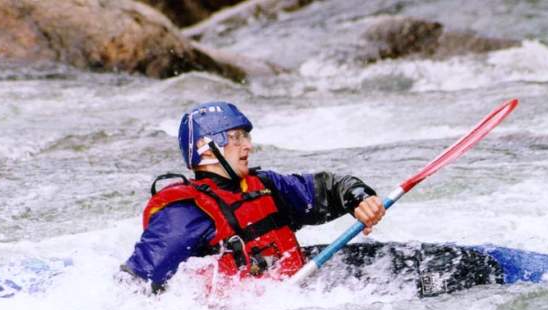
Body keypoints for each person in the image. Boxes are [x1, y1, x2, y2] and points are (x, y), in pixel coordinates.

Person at [121, 101, 387, 292]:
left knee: (393, 259)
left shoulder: (266, 185)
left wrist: (359, 198)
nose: (248, 145)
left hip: (296, 283)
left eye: (246, 136)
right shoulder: (184, 212)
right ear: (207, 149)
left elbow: (328, 188)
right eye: (235, 138)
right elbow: (135, 287)